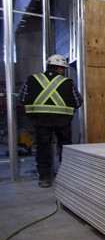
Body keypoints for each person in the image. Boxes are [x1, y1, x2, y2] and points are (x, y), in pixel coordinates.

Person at [17, 54, 83, 188]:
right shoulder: (67, 82)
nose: (64, 72)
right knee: (65, 148)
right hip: (62, 121)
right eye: (63, 69)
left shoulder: (32, 79)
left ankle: (45, 178)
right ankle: (66, 176)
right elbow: (78, 101)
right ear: (60, 69)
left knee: (43, 148)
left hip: (40, 121)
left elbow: (21, 98)